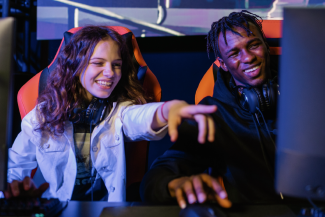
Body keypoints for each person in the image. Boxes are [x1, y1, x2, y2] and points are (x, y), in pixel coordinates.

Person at [4, 26, 217, 201]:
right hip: (60, 211)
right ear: (76, 66)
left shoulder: (119, 111)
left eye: (116, 65)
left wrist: (166, 110)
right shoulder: (41, 116)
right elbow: (14, 167)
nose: (110, 73)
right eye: (98, 63)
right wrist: (12, 192)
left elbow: (138, 118)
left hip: (109, 211)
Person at [140, 10, 282, 208]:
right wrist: (174, 184)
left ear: (265, 46)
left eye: (254, 45)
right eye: (234, 53)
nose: (248, 57)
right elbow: (156, 177)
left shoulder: (305, 92)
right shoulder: (214, 114)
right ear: (223, 64)